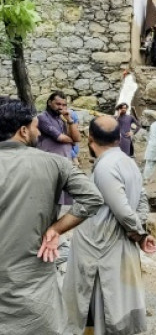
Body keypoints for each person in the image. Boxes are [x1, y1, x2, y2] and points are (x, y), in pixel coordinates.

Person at [0, 98, 103, 335]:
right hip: (32, 286)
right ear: (23, 131)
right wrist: (56, 229)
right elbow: (92, 198)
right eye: (35, 127)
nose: (38, 132)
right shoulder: (55, 163)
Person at [63, 116, 156, 335]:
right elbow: (142, 200)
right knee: (115, 306)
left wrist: (141, 235)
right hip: (116, 246)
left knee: (102, 308)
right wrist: (140, 229)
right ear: (118, 137)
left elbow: (122, 210)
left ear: (90, 137)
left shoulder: (106, 167)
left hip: (101, 250)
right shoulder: (128, 161)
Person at [37, 91, 82, 203]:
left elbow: (77, 138)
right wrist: (71, 141)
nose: (61, 107)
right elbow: (61, 138)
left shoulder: (62, 119)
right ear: (49, 103)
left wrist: (70, 121)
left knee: (59, 202)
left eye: (64, 105)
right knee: (49, 200)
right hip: (50, 165)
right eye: (58, 104)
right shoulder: (42, 118)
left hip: (63, 164)